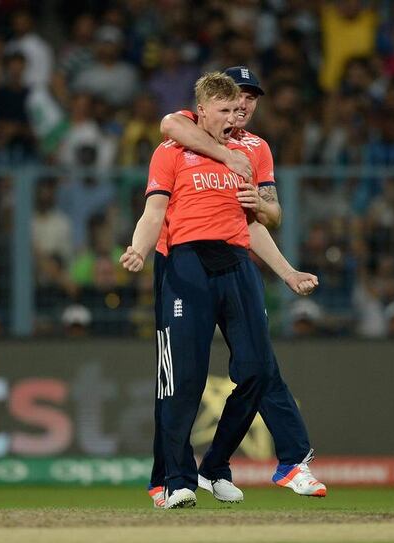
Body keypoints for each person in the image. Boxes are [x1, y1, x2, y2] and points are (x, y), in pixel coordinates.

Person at [120, 72, 319, 509]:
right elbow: (154, 210)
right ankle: (175, 479)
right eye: (229, 105)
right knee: (181, 380)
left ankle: (214, 466)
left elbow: (265, 220)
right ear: (205, 108)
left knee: (256, 370)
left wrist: (284, 264)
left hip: (235, 263)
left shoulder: (256, 149)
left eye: (243, 104)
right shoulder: (173, 147)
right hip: (184, 264)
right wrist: (138, 248)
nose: (238, 112)